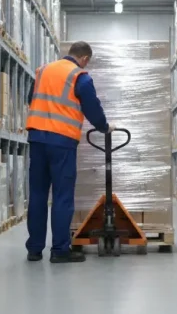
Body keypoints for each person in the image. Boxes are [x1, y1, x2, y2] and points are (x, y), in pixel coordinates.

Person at [25, 41, 114, 263]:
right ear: (84, 59)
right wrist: (104, 127)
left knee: (37, 194)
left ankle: (34, 250)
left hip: (36, 138)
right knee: (62, 196)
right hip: (61, 141)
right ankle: (59, 250)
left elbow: (31, 99)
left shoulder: (43, 70)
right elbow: (91, 106)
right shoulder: (79, 76)